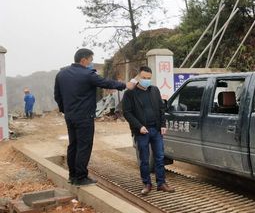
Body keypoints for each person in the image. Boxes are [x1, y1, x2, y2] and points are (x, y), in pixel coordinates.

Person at [54, 48, 136, 186]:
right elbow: (106, 83)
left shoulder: (61, 74)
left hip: (70, 116)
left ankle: (72, 175)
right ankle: (81, 177)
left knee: (73, 145)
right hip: (85, 116)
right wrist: (125, 85)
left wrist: (65, 110)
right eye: (91, 60)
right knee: (84, 146)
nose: (91, 63)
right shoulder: (88, 74)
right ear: (84, 60)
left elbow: (57, 96)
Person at [122, 66, 175, 195]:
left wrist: (163, 125)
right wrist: (139, 126)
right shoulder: (130, 93)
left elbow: (161, 109)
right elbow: (127, 113)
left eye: (149, 78)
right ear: (138, 77)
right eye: (144, 78)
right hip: (141, 131)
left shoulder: (154, 90)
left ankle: (161, 183)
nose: (146, 80)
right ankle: (147, 184)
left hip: (156, 130)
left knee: (160, 157)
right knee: (144, 159)